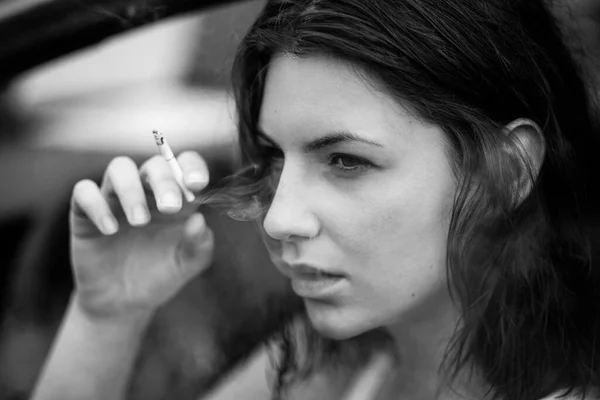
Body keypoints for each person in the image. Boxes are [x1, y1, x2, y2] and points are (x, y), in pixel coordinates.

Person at [31, 0, 600, 399]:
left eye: (346, 161)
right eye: (276, 159)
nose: (279, 218)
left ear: (504, 171)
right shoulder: (329, 357)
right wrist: (108, 312)